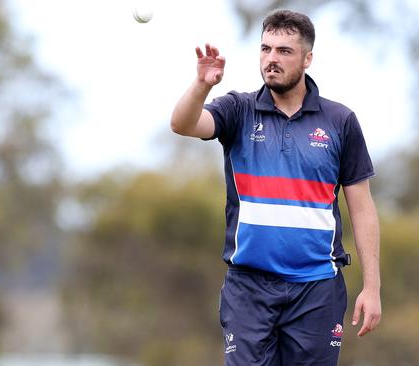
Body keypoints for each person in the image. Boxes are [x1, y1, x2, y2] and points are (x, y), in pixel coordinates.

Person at [170, 9, 381, 366]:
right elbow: (183, 124)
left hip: (317, 289)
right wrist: (203, 85)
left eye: (284, 51)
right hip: (249, 287)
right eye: (266, 49)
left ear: (307, 58)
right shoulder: (238, 109)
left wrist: (372, 287)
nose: (271, 59)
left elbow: (362, 209)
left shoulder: (340, 121)